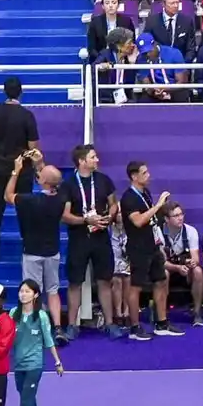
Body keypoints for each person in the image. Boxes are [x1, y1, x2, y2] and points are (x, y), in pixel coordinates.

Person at [4, 154, 66, 341]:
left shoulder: (29, 201)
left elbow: (7, 195)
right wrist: (40, 164)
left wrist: (16, 171)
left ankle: (35, 327)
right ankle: (57, 328)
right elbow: (48, 178)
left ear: (43, 182)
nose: (37, 175)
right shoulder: (60, 199)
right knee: (53, 290)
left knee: (31, 290)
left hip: (31, 251)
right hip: (52, 251)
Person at [120, 161, 182, 340]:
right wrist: (158, 205)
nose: (149, 175)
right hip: (138, 248)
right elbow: (138, 221)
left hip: (152, 245)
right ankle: (134, 327)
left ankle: (161, 323)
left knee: (161, 281)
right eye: (145, 173)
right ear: (134, 176)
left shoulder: (145, 193)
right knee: (136, 287)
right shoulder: (128, 198)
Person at [61, 144, 119, 339]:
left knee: (105, 280)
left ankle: (110, 323)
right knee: (75, 282)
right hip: (79, 238)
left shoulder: (104, 180)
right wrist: (86, 220)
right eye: (93, 157)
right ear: (82, 161)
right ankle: (72, 325)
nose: (97, 160)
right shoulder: (69, 184)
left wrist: (109, 218)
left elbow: (113, 205)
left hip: (101, 237)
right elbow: (65, 216)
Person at [0, 79, 38, 261]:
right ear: (21, 92)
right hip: (22, 167)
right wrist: (36, 167)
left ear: (4, 91)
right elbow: (33, 147)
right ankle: (28, 246)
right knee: (25, 207)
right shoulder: (27, 115)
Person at [6, 280, 62, 406]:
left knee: (25, 400)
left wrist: (57, 361)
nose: (23, 294)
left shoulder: (41, 316)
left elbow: (48, 340)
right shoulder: (13, 313)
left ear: (35, 295)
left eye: (27, 291)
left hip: (34, 364)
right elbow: (6, 338)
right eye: (21, 291)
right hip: (18, 364)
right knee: (27, 399)